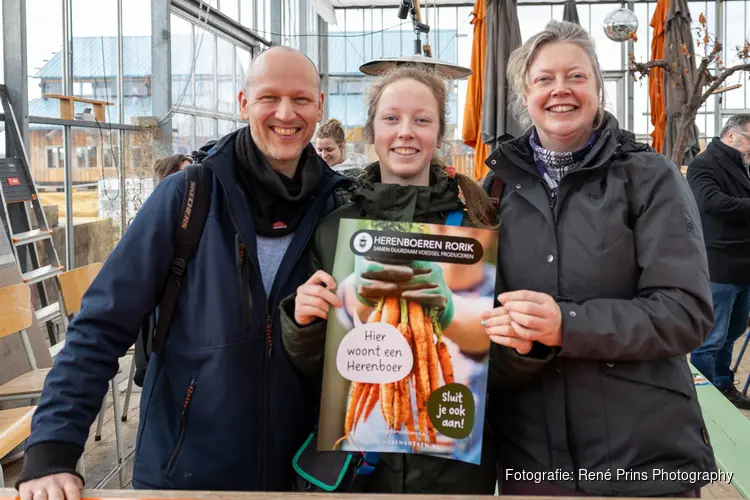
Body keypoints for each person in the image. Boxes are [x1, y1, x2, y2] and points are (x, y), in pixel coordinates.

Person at [15, 46, 350, 499]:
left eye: (302, 99)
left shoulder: (339, 209)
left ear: (319, 106)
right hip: (185, 473)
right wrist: (52, 450)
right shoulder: (188, 199)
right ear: (244, 103)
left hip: (303, 476)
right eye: (269, 97)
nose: (286, 113)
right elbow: (102, 323)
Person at [480, 20, 716, 497]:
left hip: (643, 453)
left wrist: (566, 324)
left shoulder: (649, 177)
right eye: (544, 79)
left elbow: (686, 313)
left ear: (598, 89)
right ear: (525, 94)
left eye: (576, 76)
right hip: (534, 456)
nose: (559, 90)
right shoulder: (498, 187)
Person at [279, 65, 502, 494]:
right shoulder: (334, 229)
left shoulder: (477, 227)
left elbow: (498, 367)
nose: (406, 132)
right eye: (391, 118)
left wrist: (455, 313)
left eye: (422, 120)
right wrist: (304, 322)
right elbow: (315, 370)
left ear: (439, 134)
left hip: (452, 473)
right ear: (372, 131)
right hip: (360, 468)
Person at [687, 114, 750, 409]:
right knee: (711, 338)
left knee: (732, 334)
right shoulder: (704, 164)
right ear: (730, 136)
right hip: (720, 265)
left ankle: (723, 385)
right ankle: (704, 401)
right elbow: (711, 202)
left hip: (743, 266)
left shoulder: (743, 164)